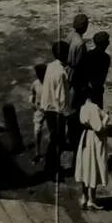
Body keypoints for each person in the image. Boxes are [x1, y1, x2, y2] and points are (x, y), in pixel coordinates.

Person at [40, 41, 71, 177]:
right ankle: (52, 166)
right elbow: (62, 97)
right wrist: (67, 113)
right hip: (57, 109)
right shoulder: (61, 73)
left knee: (55, 135)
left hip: (47, 106)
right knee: (56, 138)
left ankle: (52, 161)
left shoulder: (51, 66)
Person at [74, 94, 109, 210]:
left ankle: (84, 197)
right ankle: (91, 199)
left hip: (85, 138)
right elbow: (98, 128)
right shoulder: (93, 107)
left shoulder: (83, 107)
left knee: (85, 167)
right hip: (95, 139)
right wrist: (105, 120)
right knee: (94, 166)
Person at [29, 63, 47, 162]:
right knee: (37, 131)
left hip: (50, 110)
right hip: (39, 110)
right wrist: (32, 103)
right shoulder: (35, 83)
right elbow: (32, 94)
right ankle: (37, 152)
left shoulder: (49, 83)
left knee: (55, 130)